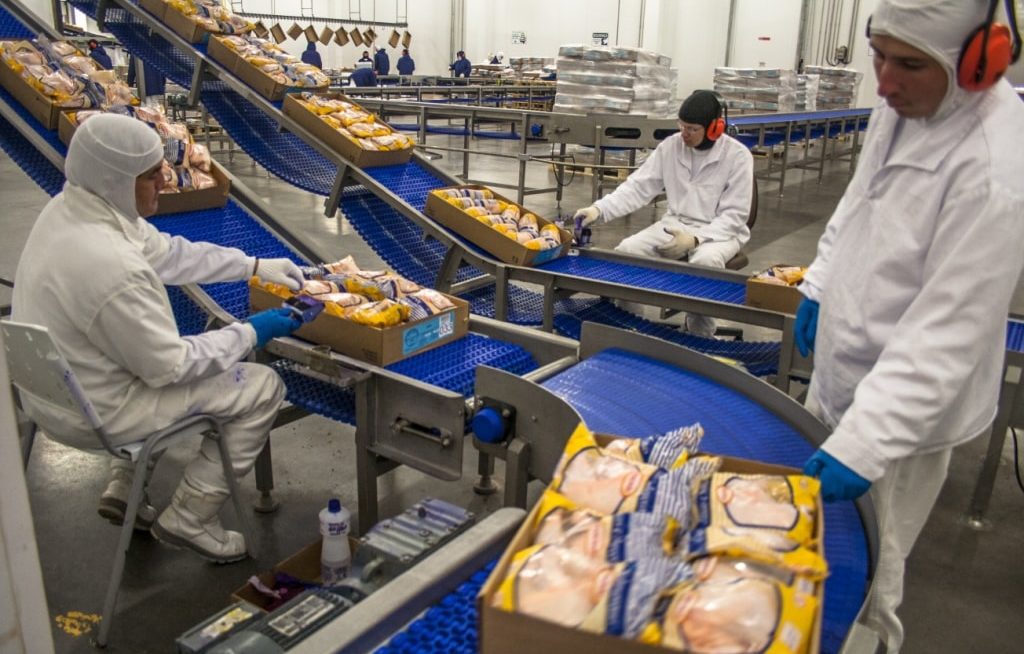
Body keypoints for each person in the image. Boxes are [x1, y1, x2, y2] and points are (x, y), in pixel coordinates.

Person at [793, 1, 1024, 651]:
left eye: (910, 64)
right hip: (843, 362)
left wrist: (865, 445)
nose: (885, 81)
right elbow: (858, 201)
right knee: (814, 548)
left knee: (873, 575)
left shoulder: (995, 167)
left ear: (980, 61)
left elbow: (950, 329)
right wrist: (819, 283)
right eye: (879, 56)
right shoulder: (895, 107)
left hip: (904, 419)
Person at [11, 114, 306, 563]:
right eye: (151, 176)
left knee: (137, 351)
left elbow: (166, 253)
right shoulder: (110, 266)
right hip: (100, 413)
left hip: (48, 394)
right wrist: (250, 332)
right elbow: (170, 366)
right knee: (261, 387)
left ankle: (126, 481)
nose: (165, 182)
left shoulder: (75, 210)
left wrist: (252, 265)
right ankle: (190, 515)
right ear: (116, 180)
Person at [574, 90, 754, 337]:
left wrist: (696, 239)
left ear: (714, 128)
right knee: (628, 251)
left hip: (720, 232)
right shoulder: (671, 147)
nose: (684, 134)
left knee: (704, 262)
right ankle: (631, 327)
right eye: (682, 126)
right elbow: (638, 187)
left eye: (692, 129)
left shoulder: (737, 156)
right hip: (675, 223)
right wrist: (599, 209)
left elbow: (734, 216)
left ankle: (700, 337)